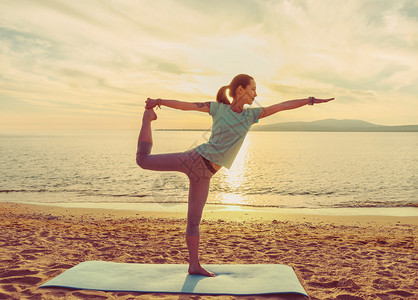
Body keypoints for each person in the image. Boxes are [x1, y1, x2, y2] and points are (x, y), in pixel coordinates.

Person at [136, 74, 334, 277]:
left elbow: (282, 105)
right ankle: (147, 119)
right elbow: (186, 105)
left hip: (205, 176)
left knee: (194, 221)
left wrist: (309, 101)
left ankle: (194, 265)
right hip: (194, 159)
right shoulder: (217, 109)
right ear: (240, 89)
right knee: (142, 160)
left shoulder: (251, 115)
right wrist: (158, 102)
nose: (256, 93)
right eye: (253, 89)